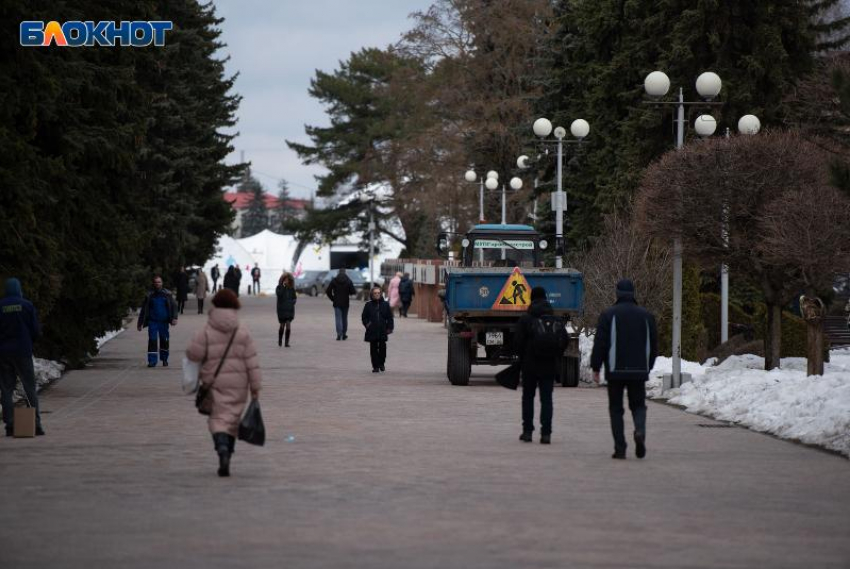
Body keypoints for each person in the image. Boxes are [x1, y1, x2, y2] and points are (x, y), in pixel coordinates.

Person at [185, 289, 262, 477]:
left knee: (218, 418)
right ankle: (229, 451)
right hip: (239, 384)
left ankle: (222, 449)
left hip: (213, 381)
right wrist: (255, 387)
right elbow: (252, 362)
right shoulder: (242, 331)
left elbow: (192, 354)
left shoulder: (206, 330)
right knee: (232, 419)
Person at [590, 279, 658, 460]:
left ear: (617, 293)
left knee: (616, 409)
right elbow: (654, 345)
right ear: (633, 293)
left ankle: (620, 448)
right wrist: (648, 366)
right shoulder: (646, 316)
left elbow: (600, 344)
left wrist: (596, 366)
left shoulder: (608, 315)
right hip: (638, 371)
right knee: (638, 406)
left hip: (615, 371)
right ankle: (640, 431)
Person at [514, 286, 565, 445]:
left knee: (528, 397)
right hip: (549, 365)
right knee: (547, 399)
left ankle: (527, 432)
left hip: (530, 365)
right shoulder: (555, 319)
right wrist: (556, 353)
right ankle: (546, 434)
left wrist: (521, 357)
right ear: (545, 299)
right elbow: (564, 340)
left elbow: (517, 343)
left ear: (531, 299)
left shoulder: (526, 319)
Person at [0, 278, 44, 437]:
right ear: (19, 289)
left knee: (6, 389)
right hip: (22, 352)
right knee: (29, 387)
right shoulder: (27, 305)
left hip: (3, 353)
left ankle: (10, 425)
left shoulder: (1, 306)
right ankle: (36, 424)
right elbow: (35, 330)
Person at [137, 275, 178, 367]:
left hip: (164, 322)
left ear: (162, 283)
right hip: (153, 322)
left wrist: (174, 318)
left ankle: (164, 359)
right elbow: (144, 310)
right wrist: (140, 323)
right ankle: (152, 361)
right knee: (152, 341)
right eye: (155, 282)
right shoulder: (149, 295)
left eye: (159, 282)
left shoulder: (167, 294)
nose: (157, 284)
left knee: (164, 340)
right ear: (153, 283)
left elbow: (174, 306)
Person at [362, 285, 394, 373]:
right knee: (373, 349)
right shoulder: (368, 305)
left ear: (381, 294)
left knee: (383, 348)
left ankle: (381, 364)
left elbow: (390, 317)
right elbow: (364, 317)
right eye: (375, 293)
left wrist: (390, 328)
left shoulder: (385, 305)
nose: (377, 294)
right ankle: (375, 366)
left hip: (383, 330)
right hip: (372, 330)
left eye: (378, 293)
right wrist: (368, 325)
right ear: (372, 294)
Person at [326, 268, 357, 340]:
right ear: (345, 272)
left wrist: (332, 298)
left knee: (338, 318)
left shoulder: (334, 280)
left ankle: (339, 334)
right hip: (345, 302)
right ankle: (344, 334)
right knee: (344, 318)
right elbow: (353, 292)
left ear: (338, 272)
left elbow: (328, 291)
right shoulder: (348, 281)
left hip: (336, 302)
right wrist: (348, 292)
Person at [276, 273, 297, 347]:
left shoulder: (292, 289)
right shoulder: (279, 287)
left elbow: (294, 298)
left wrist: (292, 302)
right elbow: (279, 294)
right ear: (282, 280)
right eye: (285, 280)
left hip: (289, 310)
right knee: (282, 325)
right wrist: (283, 286)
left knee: (288, 325)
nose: (286, 281)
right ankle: (280, 340)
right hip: (281, 310)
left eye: (287, 280)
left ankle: (286, 342)